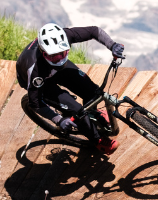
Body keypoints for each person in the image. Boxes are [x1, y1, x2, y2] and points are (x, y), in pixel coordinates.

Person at [16, 22, 125, 154]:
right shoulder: (34, 70)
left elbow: (94, 31)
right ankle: (98, 141)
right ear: (44, 52)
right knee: (77, 110)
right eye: (54, 56)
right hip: (42, 80)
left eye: (63, 53)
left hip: (57, 70)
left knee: (92, 92)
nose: (59, 58)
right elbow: (35, 103)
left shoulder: (64, 36)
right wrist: (58, 120)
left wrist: (112, 45)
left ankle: (92, 115)